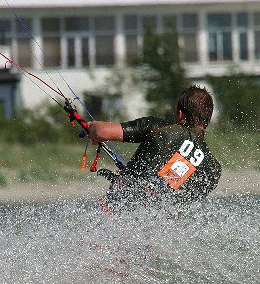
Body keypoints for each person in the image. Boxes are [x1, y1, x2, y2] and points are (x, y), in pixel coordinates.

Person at [88, 84, 221, 212]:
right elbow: (175, 193)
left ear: (180, 114)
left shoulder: (157, 127)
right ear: (207, 119)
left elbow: (101, 132)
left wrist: (90, 126)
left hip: (118, 212)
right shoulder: (213, 170)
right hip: (158, 228)